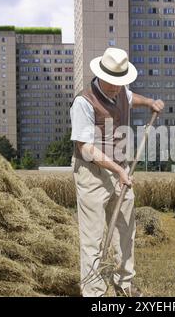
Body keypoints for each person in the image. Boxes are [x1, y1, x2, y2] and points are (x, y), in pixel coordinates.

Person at [70, 47, 164, 297]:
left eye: (119, 82)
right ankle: (94, 292)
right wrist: (116, 170)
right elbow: (86, 148)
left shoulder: (121, 91)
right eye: (111, 82)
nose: (115, 87)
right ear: (100, 74)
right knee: (93, 237)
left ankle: (124, 285)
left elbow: (132, 98)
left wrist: (150, 103)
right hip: (92, 173)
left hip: (120, 169)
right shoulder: (83, 102)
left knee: (125, 230)